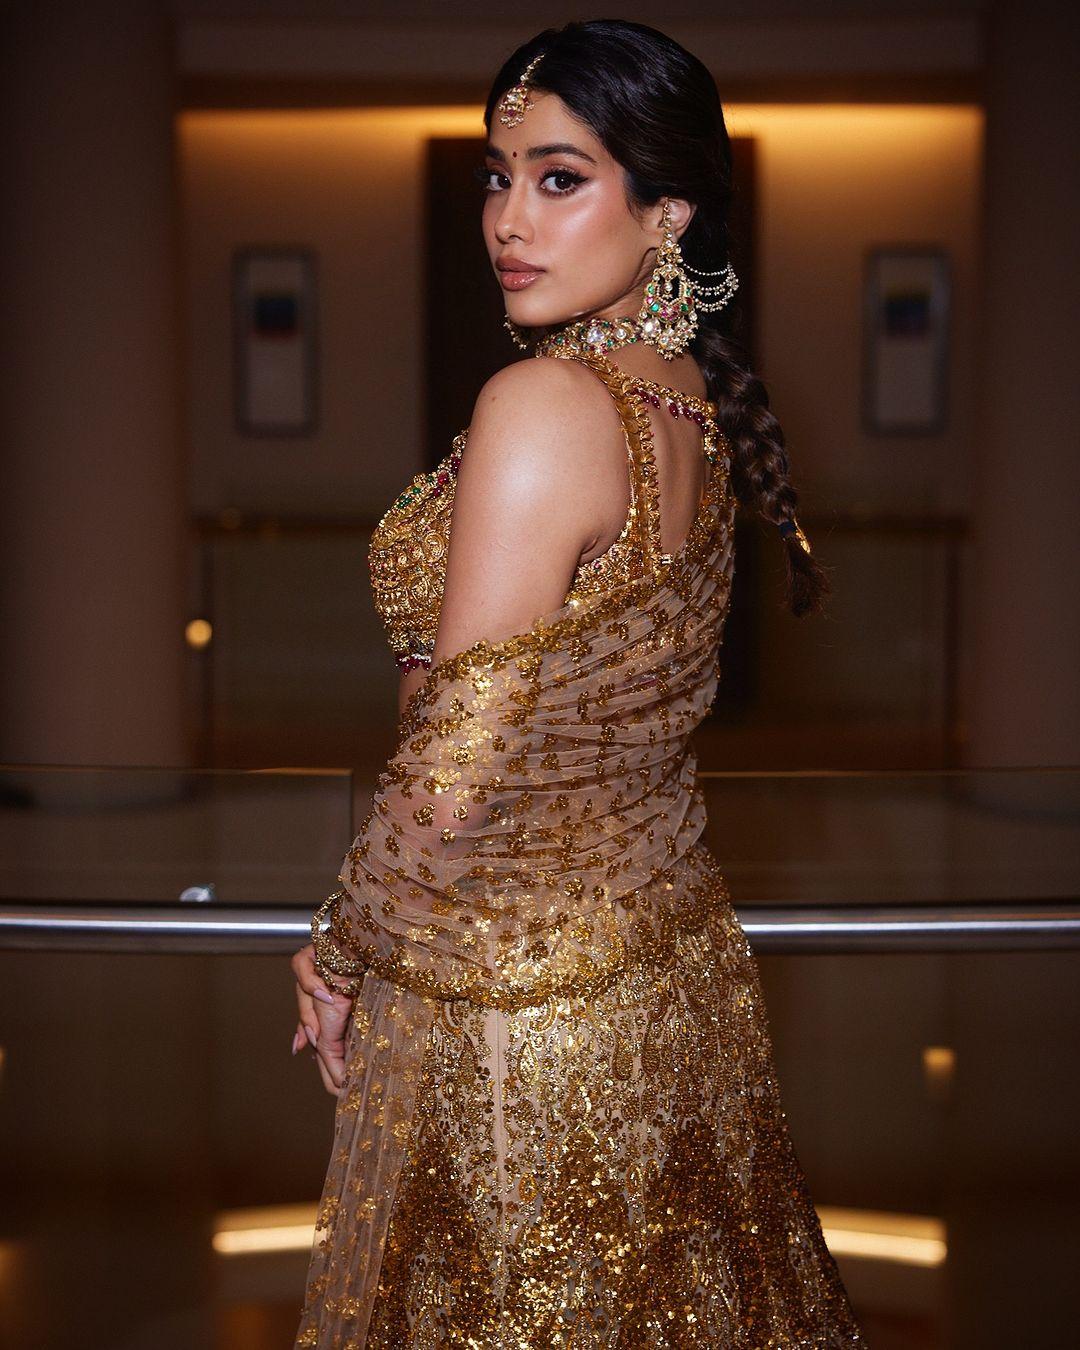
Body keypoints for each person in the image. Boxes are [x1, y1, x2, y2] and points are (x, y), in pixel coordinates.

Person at [289, 19, 864, 1348]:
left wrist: (337, 944)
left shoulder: (544, 410)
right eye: (497, 177)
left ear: (667, 210)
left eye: (560, 178)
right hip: (666, 981)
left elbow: (459, 752)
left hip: (516, 1013)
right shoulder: (681, 406)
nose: (509, 218)